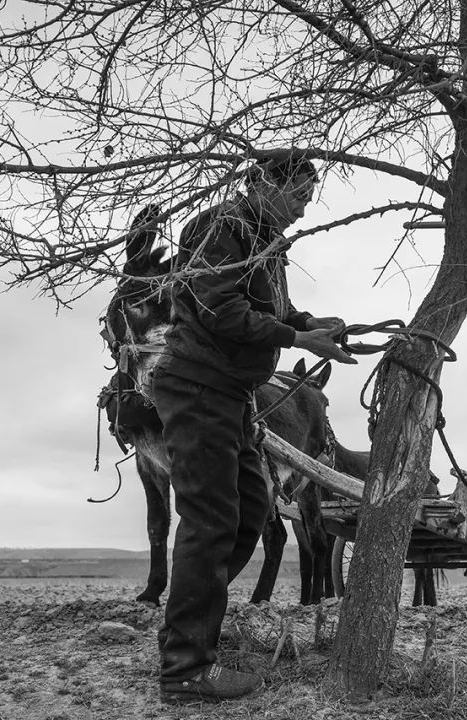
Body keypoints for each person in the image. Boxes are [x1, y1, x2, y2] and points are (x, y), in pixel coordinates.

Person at [150, 149, 355, 704]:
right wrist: (297, 342)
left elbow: (272, 311)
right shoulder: (221, 230)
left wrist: (312, 324)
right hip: (199, 387)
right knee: (210, 521)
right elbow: (221, 311)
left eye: (310, 200)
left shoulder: (265, 243)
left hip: (229, 393)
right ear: (264, 184)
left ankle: (193, 635)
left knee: (247, 513)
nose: (303, 210)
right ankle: (185, 672)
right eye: (298, 196)